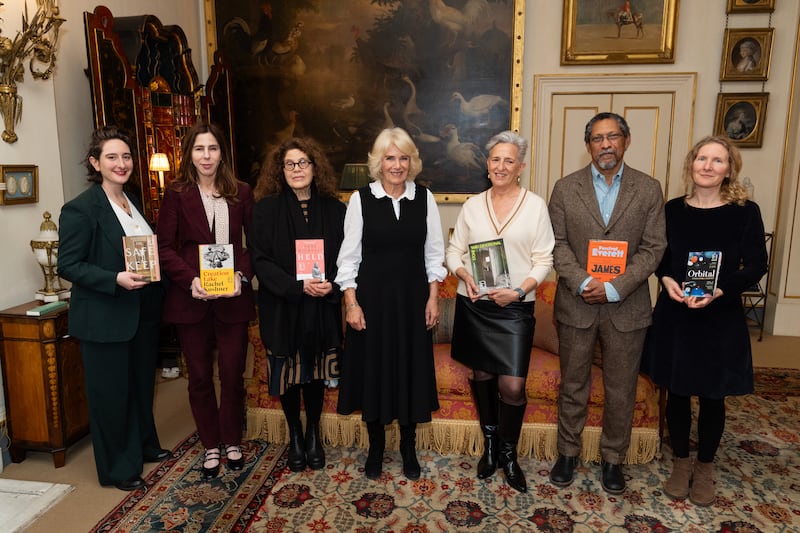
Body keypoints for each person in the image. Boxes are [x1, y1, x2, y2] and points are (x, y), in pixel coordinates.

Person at [640, 136, 768, 506]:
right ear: (691, 163)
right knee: (677, 392)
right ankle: (682, 463)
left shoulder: (745, 211)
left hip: (719, 316)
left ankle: (705, 467)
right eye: (702, 158)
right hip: (676, 312)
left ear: (730, 168)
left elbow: (757, 265)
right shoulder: (672, 209)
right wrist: (665, 280)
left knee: (713, 395)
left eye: (718, 160)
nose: (708, 166)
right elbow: (659, 256)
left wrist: (719, 291)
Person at [547, 112, 666, 494]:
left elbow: (653, 248)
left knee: (621, 388)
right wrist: (584, 281)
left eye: (613, 136)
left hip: (626, 307)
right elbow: (557, 244)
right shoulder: (565, 188)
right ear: (588, 146)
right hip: (576, 304)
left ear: (626, 141)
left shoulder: (649, 189)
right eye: (598, 138)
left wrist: (614, 286)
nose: (606, 145)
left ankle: (613, 459)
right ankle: (568, 452)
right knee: (573, 384)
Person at [58, 126, 169, 491]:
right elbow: (69, 265)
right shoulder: (80, 208)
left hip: (139, 312)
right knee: (111, 395)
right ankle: (118, 469)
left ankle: (144, 446)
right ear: (95, 163)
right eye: (111, 157)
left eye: (125, 157)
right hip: (105, 316)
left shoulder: (132, 200)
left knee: (139, 386)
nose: (121, 164)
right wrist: (114, 278)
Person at [445, 130, 554, 493]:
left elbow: (544, 260)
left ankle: (509, 453)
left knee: (512, 383)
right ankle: (490, 446)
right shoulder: (473, 205)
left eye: (509, 160)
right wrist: (463, 275)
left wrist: (520, 290)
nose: (501, 166)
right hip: (475, 303)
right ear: (487, 165)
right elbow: (453, 252)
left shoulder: (536, 206)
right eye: (495, 159)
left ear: (520, 167)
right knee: (481, 375)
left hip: (514, 307)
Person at [335, 127, 446, 480]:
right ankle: (377, 448)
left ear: (411, 161)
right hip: (372, 303)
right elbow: (348, 258)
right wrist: (351, 303)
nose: (397, 165)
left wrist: (433, 298)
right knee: (374, 373)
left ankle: (408, 447)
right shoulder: (360, 199)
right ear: (378, 162)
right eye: (389, 158)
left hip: (413, 302)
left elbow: (434, 255)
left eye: (403, 157)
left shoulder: (425, 198)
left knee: (410, 372)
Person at [157, 121, 255, 479]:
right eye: (199, 149)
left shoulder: (241, 192)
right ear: (190, 155)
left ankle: (232, 440)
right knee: (198, 376)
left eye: (212, 148)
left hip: (232, 299)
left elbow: (251, 244)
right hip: (191, 300)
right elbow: (164, 247)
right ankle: (210, 445)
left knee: (232, 373)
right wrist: (190, 281)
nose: (206, 156)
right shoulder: (177, 193)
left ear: (221, 153)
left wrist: (241, 276)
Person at [250, 137, 346, 472]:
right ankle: (294, 434)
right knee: (289, 374)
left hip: (322, 305)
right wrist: (295, 286)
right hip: (283, 305)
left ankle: (313, 434)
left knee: (316, 372)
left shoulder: (335, 208)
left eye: (303, 163)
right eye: (289, 164)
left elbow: (347, 256)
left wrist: (331, 282)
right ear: (280, 169)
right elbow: (260, 260)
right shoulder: (265, 208)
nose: (296, 170)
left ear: (315, 166)